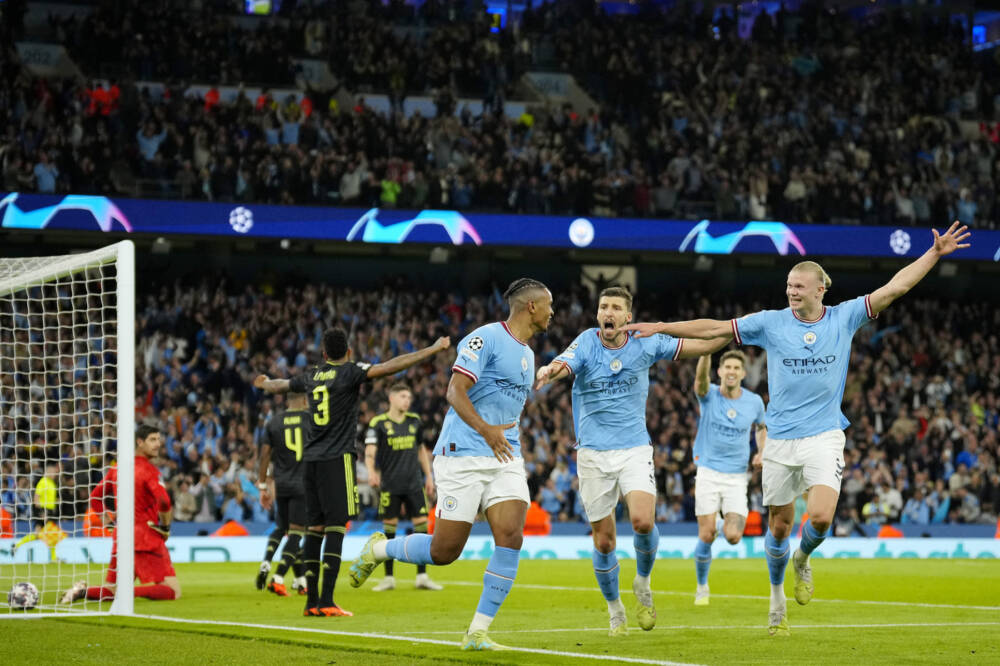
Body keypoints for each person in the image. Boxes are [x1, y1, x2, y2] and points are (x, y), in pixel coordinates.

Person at [621, 222, 971, 635]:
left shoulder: (845, 317)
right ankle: (776, 600)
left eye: (799, 286)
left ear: (820, 288)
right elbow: (715, 327)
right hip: (780, 438)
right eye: (788, 285)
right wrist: (662, 327)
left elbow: (895, 288)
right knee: (779, 526)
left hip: (824, 435)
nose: (791, 291)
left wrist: (934, 253)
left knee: (820, 518)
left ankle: (802, 560)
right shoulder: (771, 322)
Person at [348, 278, 553, 651]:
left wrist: (500, 434)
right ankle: (379, 549)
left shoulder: (528, 354)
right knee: (444, 552)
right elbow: (454, 391)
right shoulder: (484, 338)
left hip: (505, 456)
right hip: (462, 452)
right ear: (532, 307)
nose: (554, 312)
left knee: (511, 536)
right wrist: (485, 430)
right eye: (549, 305)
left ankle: (477, 632)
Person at [533, 286, 728, 636]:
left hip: (634, 449)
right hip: (592, 453)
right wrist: (549, 371)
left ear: (627, 316)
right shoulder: (587, 341)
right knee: (604, 541)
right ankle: (615, 610)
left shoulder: (645, 341)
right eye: (603, 306)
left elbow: (697, 346)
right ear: (597, 314)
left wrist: (728, 337)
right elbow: (564, 363)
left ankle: (642, 580)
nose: (608, 312)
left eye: (616, 307)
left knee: (641, 520)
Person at [254, 327, 450, 617]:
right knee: (335, 527)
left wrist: (264, 383)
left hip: (310, 462)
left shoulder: (310, 376)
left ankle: (311, 603)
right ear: (348, 352)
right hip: (337, 459)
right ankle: (327, 601)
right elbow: (390, 366)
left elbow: (281, 385)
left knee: (314, 530)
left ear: (323, 354)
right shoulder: (349, 372)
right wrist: (433, 349)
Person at [61, 424, 181, 603]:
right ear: (140, 442)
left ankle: (81, 592)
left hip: (121, 537)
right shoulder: (149, 471)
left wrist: (109, 522)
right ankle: (129, 593)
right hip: (145, 537)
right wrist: (165, 526)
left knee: (111, 589)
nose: (158, 444)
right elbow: (164, 501)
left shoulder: (118, 468)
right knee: (172, 590)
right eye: (152, 440)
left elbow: (95, 497)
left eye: (158, 439)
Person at [691, 351, 767, 606]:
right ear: (720, 371)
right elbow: (700, 382)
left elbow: (761, 427)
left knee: (734, 537)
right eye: (728, 367)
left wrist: (762, 451)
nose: (732, 371)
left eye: (736, 367)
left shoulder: (754, 402)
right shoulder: (709, 395)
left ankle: (724, 518)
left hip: (736, 476)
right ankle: (702, 586)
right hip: (708, 472)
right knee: (706, 534)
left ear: (743, 373)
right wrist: (706, 353)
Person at [363, 382, 441, 591]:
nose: (407, 400)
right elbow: (370, 450)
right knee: (389, 529)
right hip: (390, 484)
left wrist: (429, 477)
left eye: (409, 397)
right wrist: (371, 471)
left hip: (414, 483)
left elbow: (421, 450)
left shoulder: (414, 421)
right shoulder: (378, 423)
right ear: (392, 398)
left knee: (422, 527)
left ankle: (422, 576)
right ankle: (388, 577)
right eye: (403, 397)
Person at [255, 392, 309, 597]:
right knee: (297, 533)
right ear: (304, 400)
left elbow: (265, 455)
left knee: (283, 528)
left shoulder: (274, 422)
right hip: (303, 484)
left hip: (282, 484)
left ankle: (301, 580)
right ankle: (278, 578)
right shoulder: (311, 420)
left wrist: (262, 485)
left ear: (287, 400)